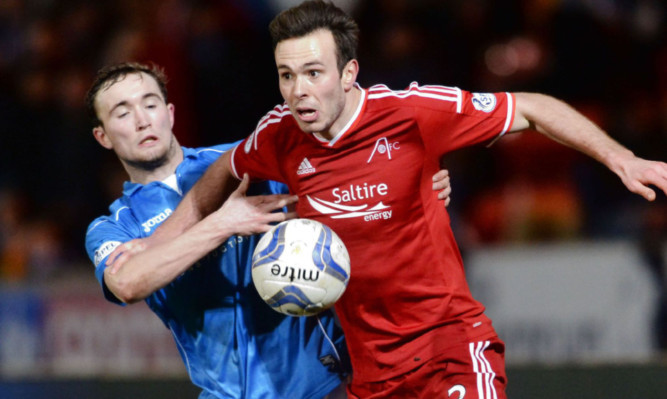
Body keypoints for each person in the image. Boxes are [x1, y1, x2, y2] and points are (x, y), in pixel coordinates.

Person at [107, 1, 667, 398]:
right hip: (371, 377)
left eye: (313, 73)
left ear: (349, 73)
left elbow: (533, 106)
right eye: (286, 75)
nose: (299, 91)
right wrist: (156, 242)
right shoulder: (277, 136)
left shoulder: (413, 114)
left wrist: (622, 159)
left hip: (450, 349)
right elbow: (221, 175)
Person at [84, 61, 453, 399]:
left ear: (170, 113)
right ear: (102, 136)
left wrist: (412, 184)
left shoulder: (241, 162)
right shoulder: (115, 226)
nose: (142, 120)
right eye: (122, 112)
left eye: (149, 104)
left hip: (323, 385)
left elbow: (342, 182)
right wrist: (222, 224)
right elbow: (128, 283)